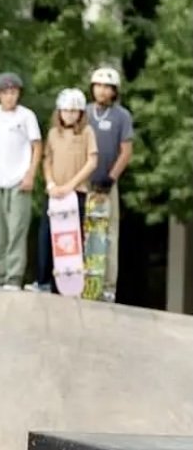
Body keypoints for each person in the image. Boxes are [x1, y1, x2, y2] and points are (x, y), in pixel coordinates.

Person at [0, 72, 41, 291]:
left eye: (14, 92)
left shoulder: (26, 116)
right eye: (6, 93)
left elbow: (36, 146)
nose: (10, 97)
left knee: (17, 229)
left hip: (19, 178)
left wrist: (31, 173)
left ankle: (14, 277)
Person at [31, 88, 98, 293]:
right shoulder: (53, 133)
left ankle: (69, 284)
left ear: (80, 113)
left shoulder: (87, 132)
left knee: (71, 239)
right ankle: (43, 280)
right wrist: (51, 183)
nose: (69, 114)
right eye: (66, 110)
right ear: (59, 112)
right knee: (46, 236)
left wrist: (71, 185)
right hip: (54, 194)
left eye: (74, 110)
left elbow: (92, 160)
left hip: (75, 193)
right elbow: (47, 160)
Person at [86, 66, 134, 303]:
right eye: (98, 85)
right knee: (83, 232)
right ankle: (84, 282)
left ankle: (108, 286)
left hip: (107, 183)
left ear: (114, 91)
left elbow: (126, 151)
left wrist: (111, 177)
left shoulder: (121, 116)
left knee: (109, 233)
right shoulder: (84, 113)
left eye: (107, 87)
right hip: (84, 182)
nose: (102, 90)